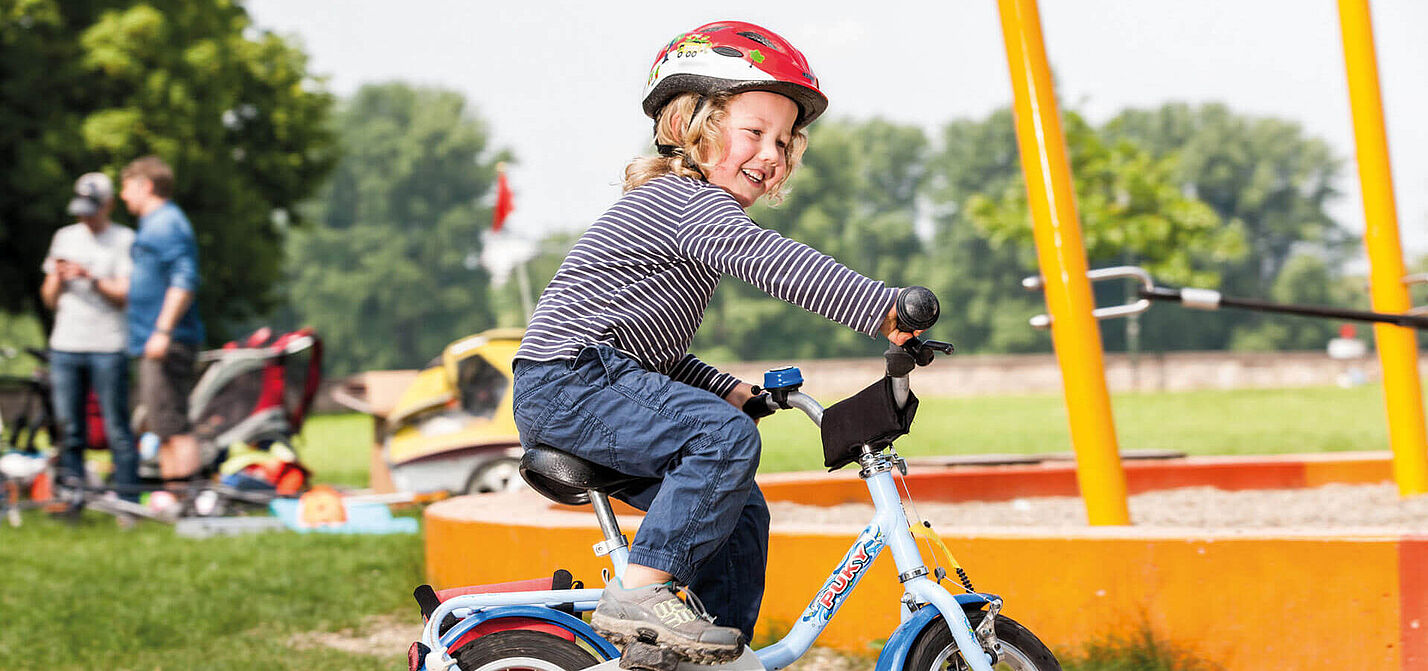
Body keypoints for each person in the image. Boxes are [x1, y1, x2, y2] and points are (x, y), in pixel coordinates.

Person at [511, 21, 922, 663]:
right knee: (721, 440)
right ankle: (639, 595)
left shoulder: (681, 218)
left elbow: (657, 356)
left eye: (785, 141)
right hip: (572, 383)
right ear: (692, 127)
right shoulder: (684, 201)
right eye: (754, 132)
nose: (772, 154)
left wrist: (729, 388)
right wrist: (882, 308)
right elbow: (774, 261)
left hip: (596, 382)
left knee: (737, 508)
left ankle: (706, 654)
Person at [40, 172, 139, 505]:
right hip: (66, 345)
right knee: (69, 431)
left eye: (92, 209)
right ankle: (73, 500)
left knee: (117, 431)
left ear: (108, 205)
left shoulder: (125, 239)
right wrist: (57, 276)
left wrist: (90, 277)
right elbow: (49, 299)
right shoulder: (64, 238)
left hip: (108, 346)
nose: (85, 216)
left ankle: (126, 502)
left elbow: (125, 295)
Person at [118, 156, 205, 480]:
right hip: (155, 339)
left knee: (173, 425)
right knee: (163, 424)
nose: (124, 196)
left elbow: (185, 281)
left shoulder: (166, 223)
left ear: (146, 186)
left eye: (127, 187)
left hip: (167, 340)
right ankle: (176, 498)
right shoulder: (155, 224)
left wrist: (163, 330)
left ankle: (187, 501)